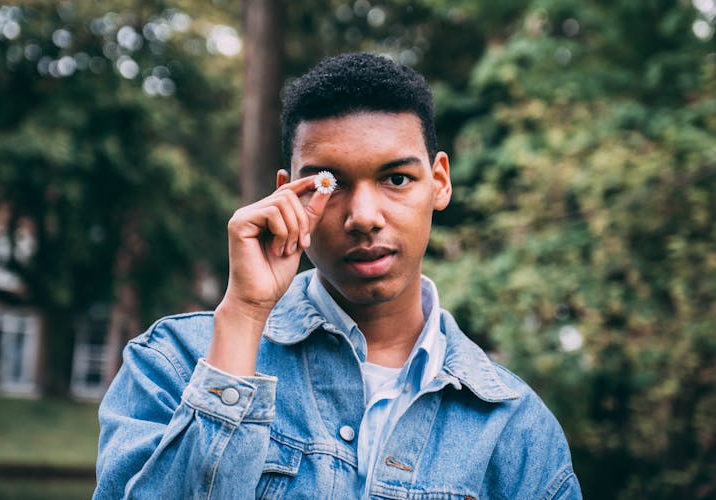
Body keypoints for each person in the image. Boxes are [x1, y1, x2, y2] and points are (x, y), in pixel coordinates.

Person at [94, 52, 582, 499]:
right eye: (330, 183)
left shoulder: (516, 427)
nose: (364, 216)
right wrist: (244, 315)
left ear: (439, 181)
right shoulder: (174, 365)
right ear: (290, 193)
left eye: (396, 179)